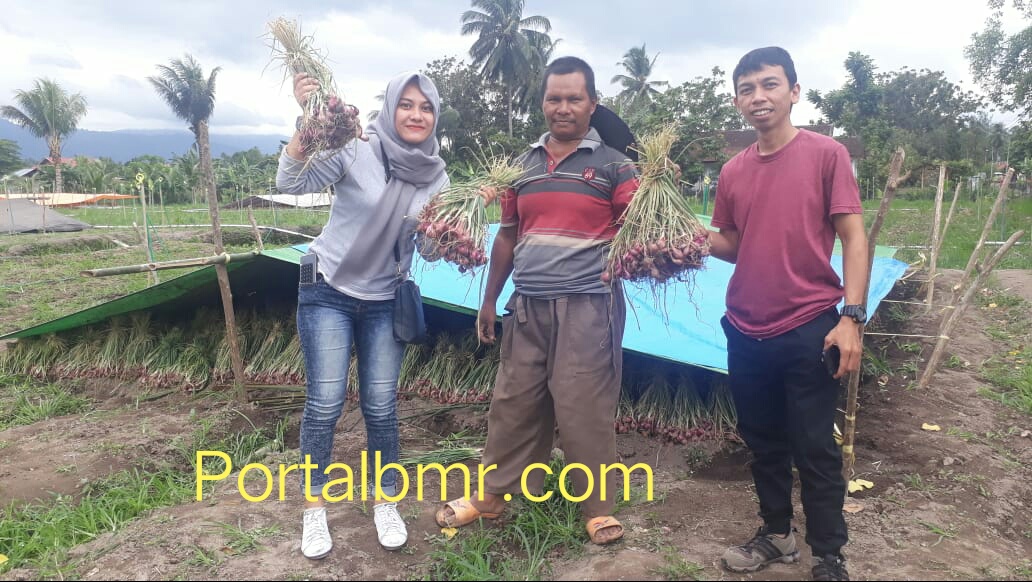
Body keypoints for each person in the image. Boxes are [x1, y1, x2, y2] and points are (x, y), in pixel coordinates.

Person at [434, 56, 639, 545]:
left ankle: (597, 509)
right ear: (542, 103)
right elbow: (507, 235)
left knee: (583, 405)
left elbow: (638, 230)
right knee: (514, 402)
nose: (563, 108)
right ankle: (492, 497)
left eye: (574, 99)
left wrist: (656, 186)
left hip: (589, 304)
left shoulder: (616, 164)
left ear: (592, 104)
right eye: (554, 98)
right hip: (527, 304)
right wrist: (489, 299)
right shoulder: (521, 167)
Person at [707, 47, 867, 581]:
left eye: (770, 85)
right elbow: (733, 244)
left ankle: (829, 555)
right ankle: (777, 535)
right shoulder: (732, 171)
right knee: (762, 441)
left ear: (794, 92)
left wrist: (851, 317)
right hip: (745, 327)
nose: (759, 97)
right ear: (737, 101)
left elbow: (853, 237)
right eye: (747, 89)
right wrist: (687, 236)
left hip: (808, 326)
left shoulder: (826, 154)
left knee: (815, 446)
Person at [276, 71, 450, 559]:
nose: (416, 115)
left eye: (426, 107)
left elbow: (431, 251)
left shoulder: (438, 177)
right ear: (390, 107)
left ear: (435, 116)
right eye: (407, 104)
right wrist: (309, 123)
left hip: (385, 298)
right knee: (325, 404)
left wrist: (455, 224)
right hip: (328, 288)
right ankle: (314, 510)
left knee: (381, 406)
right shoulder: (355, 146)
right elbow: (290, 181)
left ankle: (385, 501)